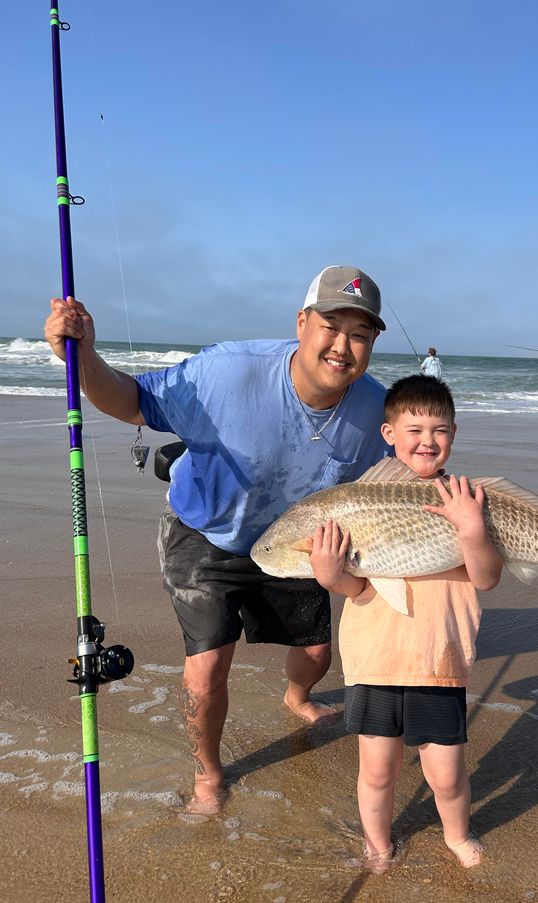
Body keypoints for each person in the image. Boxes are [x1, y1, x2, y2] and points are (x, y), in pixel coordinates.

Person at [44, 265, 390, 814]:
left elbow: (398, 483)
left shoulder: (376, 410)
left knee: (318, 653)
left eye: (360, 334)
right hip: (206, 531)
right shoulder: (228, 372)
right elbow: (132, 400)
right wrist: (81, 356)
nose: (342, 346)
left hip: (294, 543)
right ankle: (208, 772)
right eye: (332, 326)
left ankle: (296, 697)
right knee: (206, 672)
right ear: (302, 324)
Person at [308, 375, 503, 871]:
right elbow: (360, 587)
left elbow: (486, 578)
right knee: (376, 772)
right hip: (375, 663)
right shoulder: (358, 498)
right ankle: (377, 844)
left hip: (438, 664)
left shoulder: (466, 499)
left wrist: (473, 529)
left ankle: (456, 835)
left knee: (447, 774)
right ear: (389, 433)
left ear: (453, 435)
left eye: (440, 430)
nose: (427, 440)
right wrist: (332, 576)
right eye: (414, 428)